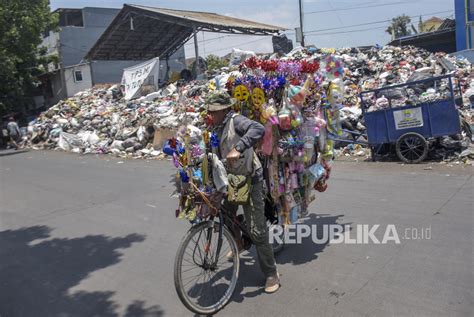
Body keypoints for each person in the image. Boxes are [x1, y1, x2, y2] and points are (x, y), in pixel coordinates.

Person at [205, 92, 280, 294]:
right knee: (226, 214)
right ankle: (238, 242)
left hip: (250, 178)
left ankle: (271, 273)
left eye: (214, 112)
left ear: (224, 110)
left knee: (257, 230)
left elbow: (257, 129)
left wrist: (238, 147)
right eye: (210, 112)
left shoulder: (236, 121)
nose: (211, 115)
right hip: (230, 179)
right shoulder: (214, 127)